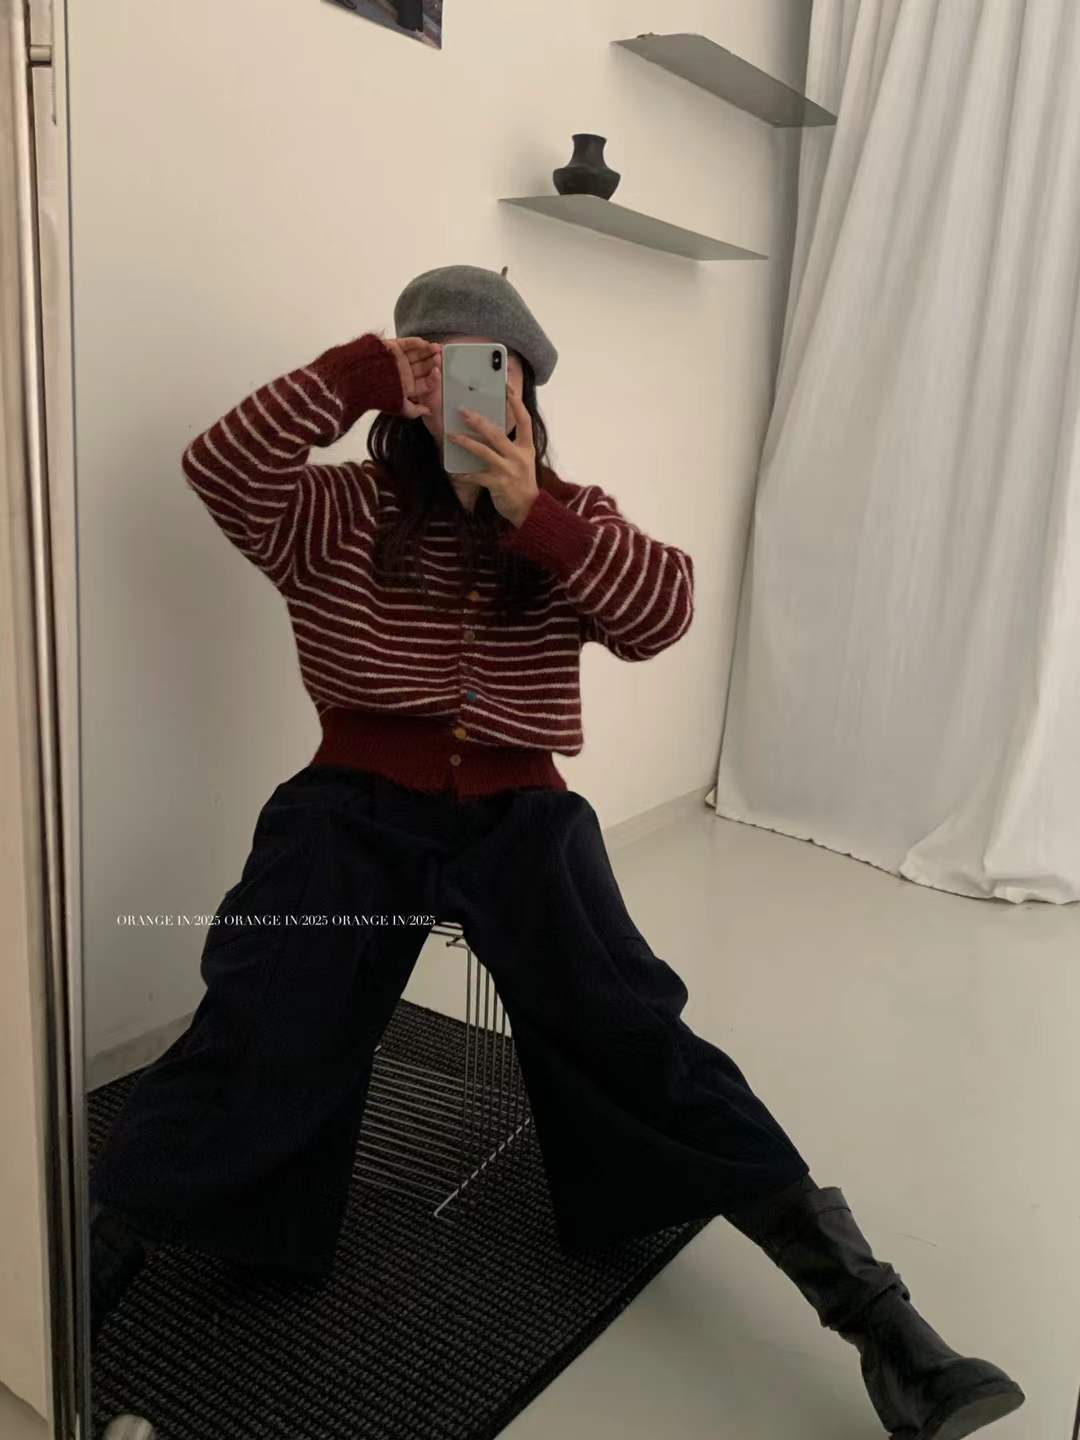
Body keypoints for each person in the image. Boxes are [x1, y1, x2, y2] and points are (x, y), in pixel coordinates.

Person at [87, 264, 1024, 1439]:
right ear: (404, 391)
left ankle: (883, 1326)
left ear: (529, 395)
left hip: (522, 816)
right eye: (439, 373)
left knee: (638, 1033)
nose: (471, 398)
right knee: (262, 1013)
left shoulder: (568, 516)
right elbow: (219, 468)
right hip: (352, 804)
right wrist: (354, 373)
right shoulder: (335, 509)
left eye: (498, 376)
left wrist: (534, 511)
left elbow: (663, 614)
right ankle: (79, 1291)